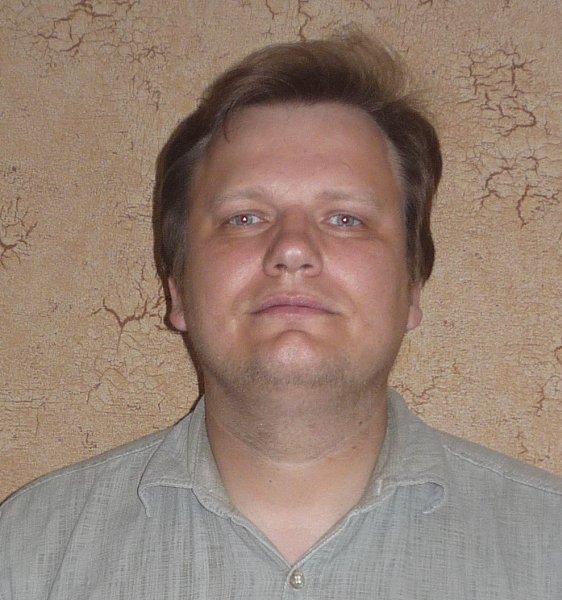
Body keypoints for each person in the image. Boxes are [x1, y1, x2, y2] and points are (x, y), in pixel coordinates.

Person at [1, 32, 560, 599]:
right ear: (178, 290)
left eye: (345, 219)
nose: (292, 249)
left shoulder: (549, 548)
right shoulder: (27, 552)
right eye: (244, 218)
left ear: (412, 286)